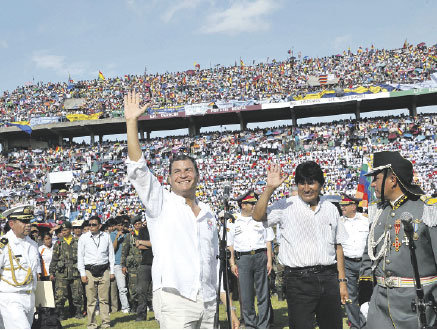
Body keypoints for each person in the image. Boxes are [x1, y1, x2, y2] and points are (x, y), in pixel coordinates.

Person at [124, 91, 218, 328]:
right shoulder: (160, 203)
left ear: (197, 176)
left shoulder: (208, 213)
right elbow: (138, 169)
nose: (183, 175)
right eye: (177, 171)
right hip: (175, 297)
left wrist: (226, 303)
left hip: (207, 300)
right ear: (168, 178)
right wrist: (131, 122)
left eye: (188, 170)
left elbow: (213, 263)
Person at [252, 161, 349, 329]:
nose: (306, 188)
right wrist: (269, 189)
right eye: (301, 183)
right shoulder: (286, 206)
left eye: (311, 182)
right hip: (298, 280)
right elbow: (257, 216)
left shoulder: (331, 209)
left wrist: (342, 282)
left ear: (320, 184)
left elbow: (337, 246)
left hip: (328, 278)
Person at [359, 151, 437, 328]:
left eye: (376, 178)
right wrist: (364, 299)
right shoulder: (378, 212)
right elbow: (367, 258)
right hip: (379, 307)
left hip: (417, 307)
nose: (372, 184)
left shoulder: (427, 210)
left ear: (392, 180)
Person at [228, 190, 274, 329]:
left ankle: (264, 325)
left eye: (255, 203)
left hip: (260, 256)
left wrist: (269, 261)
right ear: (243, 205)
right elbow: (230, 245)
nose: (255, 205)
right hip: (243, 259)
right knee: (246, 296)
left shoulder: (262, 218)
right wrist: (232, 263)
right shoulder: (233, 221)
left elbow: (268, 240)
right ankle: (250, 325)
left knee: (263, 294)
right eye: (252, 203)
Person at [0, 205, 40, 329]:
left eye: (29, 221)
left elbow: (34, 273)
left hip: (29, 297)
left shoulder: (32, 244)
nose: (28, 225)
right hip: (10, 297)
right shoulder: (4, 244)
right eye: (24, 221)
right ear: (11, 224)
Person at [77, 215, 115, 329]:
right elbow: (80, 257)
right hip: (89, 270)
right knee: (91, 300)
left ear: (100, 226)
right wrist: (82, 274)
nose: (91, 227)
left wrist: (112, 271)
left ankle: (106, 323)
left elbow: (111, 255)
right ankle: (92, 324)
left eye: (94, 225)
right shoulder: (83, 238)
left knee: (104, 300)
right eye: (90, 225)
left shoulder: (106, 236)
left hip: (104, 270)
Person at [339, 194, 370, 329]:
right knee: (350, 296)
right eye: (341, 205)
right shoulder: (339, 222)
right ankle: (355, 325)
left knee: (367, 294)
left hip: (365, 263)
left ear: (353, 206)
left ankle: (366, 323)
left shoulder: (366, 220)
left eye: (345, 205)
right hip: (347, 263)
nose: (342, 208)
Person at [49, 221, 84, 320]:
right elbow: (54, 258)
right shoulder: (59, 243)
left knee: (77, 294)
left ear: (70, 230)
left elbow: (82, 257)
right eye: (62, 230)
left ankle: (78, 312)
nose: (63, 232)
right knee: (60, 295)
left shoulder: (77, 241)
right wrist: (51, 272)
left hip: (75, 272)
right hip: (62, 273)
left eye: (65, 230)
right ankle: (61, 314)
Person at [121, 215, 149, 321]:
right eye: (136, 224)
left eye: (139, 224)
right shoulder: (129, 236)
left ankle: (144, 306)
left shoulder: (145, 234)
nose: (138, 226)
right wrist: (123, 265)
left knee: (143, 288)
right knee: (133, 289)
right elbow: (124, 251)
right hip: (132, 267)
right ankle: (134, 306)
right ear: (133, 226)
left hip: (144, 264)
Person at [110, 216, 130, 314]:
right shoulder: (112, 235)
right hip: (117, 264)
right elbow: (112, 249)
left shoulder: (128, 234)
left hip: (128, 263)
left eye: (122, 225)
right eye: (119, 225)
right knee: (121, 288)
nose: (121, 227)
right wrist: (117, 238)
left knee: (129, 287)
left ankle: (131, 305)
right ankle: (125, 307)